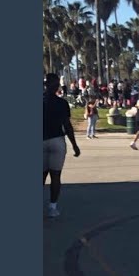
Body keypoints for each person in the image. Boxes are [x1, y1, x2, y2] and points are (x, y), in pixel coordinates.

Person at [43, 74, 81, 218]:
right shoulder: (62, 103)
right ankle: (52, 207)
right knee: (56, 176)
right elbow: (67, 125)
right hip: (57, 140)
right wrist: (74, 145)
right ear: (56, 86)